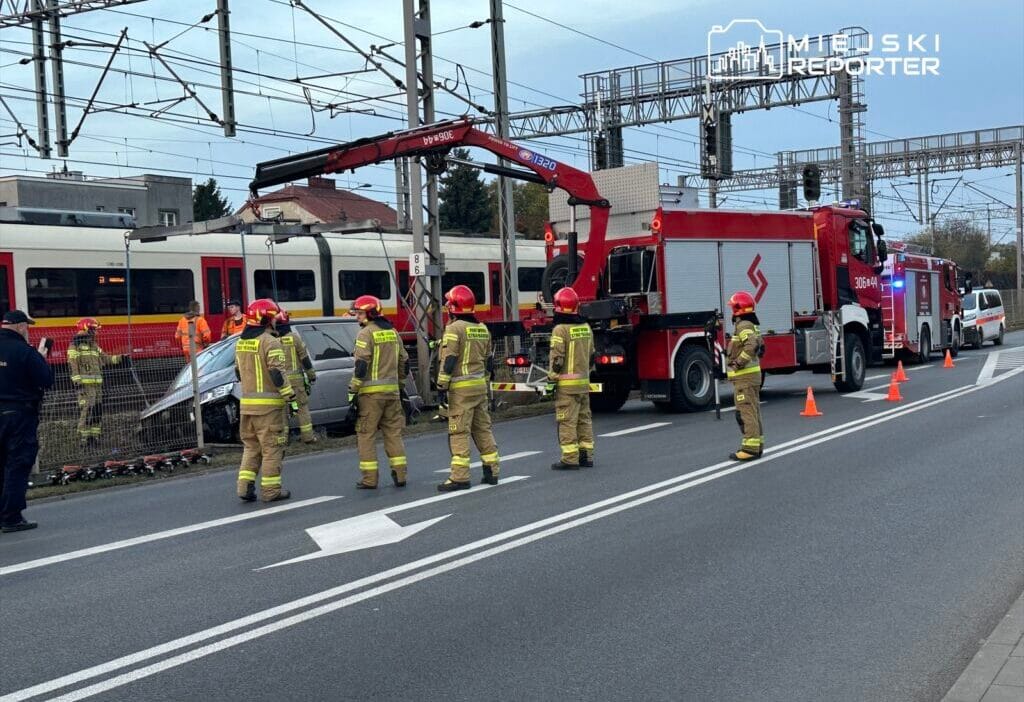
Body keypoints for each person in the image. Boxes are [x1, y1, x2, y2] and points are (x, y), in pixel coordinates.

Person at [435, 284, 499, 492]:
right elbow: (489, 361)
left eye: (448, 304)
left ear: (455, 306)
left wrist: (442, 385)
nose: (446, 307)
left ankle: (460, 477)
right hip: (479, 387)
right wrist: (485, 381)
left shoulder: (454, 329)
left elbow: (450, 358)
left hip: (461, 390)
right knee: (483, 429)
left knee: (459, 431)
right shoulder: (482, 329)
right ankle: (492, 471)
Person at [234, 298, 296, 502]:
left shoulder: (241, 342)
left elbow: (237, 372)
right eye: (274, 317)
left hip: (246, 407)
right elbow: (277, 374)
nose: (277, 321)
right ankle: (271, 491)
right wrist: (290, 396)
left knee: (251, 448)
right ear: (267, 319)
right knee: (272, 449)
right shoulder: (270, 342)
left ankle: (244, 488)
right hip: (268, 409)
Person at [348, 295, 409, 489]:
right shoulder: (392, 332)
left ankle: (369, 479)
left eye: (359, 313)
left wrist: (353, 389)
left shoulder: (365, 334)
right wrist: (400, 384)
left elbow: (361, 365)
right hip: (392, 394)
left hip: (370, 396)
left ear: (370, 314)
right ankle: (400, 475)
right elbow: (404, 360)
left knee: (365, 435)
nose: (357, 317)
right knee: (393, 434)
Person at [0, 310, 53, 532]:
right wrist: (41, 358)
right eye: (27, 327)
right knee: (18, 463)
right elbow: (46, 379)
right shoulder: (25, 352)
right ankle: (11, 516)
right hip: (19, 415)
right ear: (21, 326)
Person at [547, 287, 596, 470]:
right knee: (584, 420)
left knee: (566, 421)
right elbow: (592, 356)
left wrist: (552, 380)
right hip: (583, 384)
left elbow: (557, 359)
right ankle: (587, 456)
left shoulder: (560, 330)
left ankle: (570, 458)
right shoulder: (586, 327)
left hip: (566, 386)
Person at [67, 317, 121, 447]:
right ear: (86, 329)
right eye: (94, 330)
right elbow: (73, 365)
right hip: (85, 386)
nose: (96, 333)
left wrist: (121, 358)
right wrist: (78, 383)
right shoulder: (75, 346)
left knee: (97, 411)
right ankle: (83, 440)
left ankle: (94, 437)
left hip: (97, 386)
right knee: (87, 410)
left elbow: (106, 358)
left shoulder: (94, 346)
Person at [725, 291, 764, 461]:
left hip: (745, 379)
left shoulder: (743, 326)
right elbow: (759, 346)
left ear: (737, 308)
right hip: (752, 377)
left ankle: (750, 449)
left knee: (745, 412)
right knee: (753, 412)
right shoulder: (751, 325)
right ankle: (757, 445)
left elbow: (751, 346)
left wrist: (737, 363)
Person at [276, 309, 318, 444]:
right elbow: (305, 358)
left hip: (280, 383)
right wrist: (311, 375)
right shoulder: (294, 338)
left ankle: (282, 440)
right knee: (302, 409)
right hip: (296, 382)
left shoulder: (272, 341)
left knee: (282, 412)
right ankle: (308, 437)